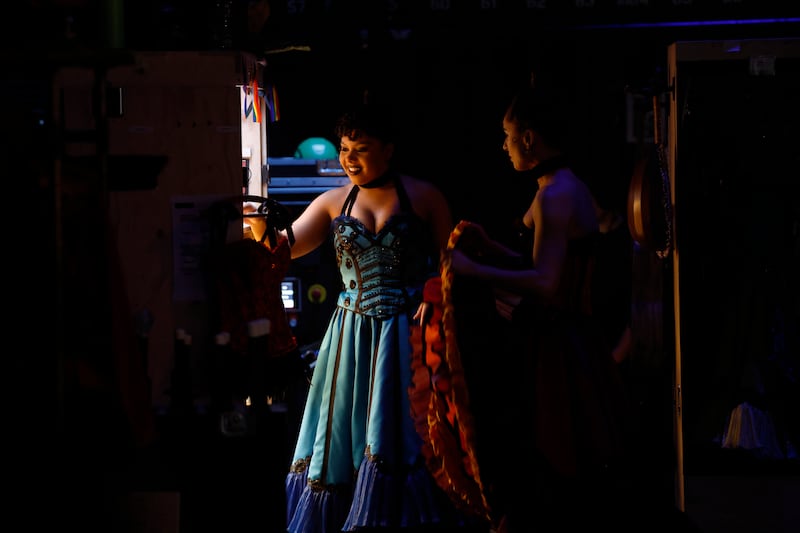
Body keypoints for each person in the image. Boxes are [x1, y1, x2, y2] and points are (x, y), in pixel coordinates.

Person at [244, 103, 476, 532]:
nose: (349, 159)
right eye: (345, 150)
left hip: (406, 333)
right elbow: (284, 247)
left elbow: (452, 265)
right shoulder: (333, 201)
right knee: (340, 435)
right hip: (349, 336)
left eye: (361, 149)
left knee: (405, 430)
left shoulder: (424, 197)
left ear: (388, 150)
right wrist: (255, 221)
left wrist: (431, 293)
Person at [444, 82, 633, 532]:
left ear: (528, 138)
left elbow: (546, 284)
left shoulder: (554, 194)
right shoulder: (564, 184)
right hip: (570, 338)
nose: (504, 146)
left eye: (507, 135)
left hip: (558, 346)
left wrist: (473, 270)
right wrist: (493, 248)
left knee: (554, 461)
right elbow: (550, 265)